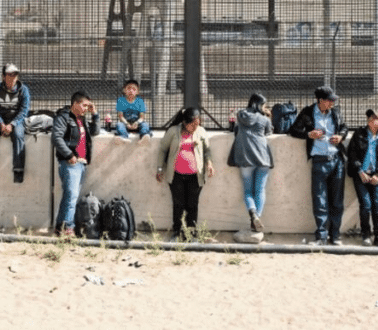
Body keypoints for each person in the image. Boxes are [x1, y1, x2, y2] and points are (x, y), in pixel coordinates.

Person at [289, 85, 349, 245]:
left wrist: (341, 136)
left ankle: (335, 236)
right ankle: (321, 237)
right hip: (319, 161)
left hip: (337, 160)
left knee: (337, 200)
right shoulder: (308, 113)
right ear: (320, 100)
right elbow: (293, 130)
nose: (332, 104)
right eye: (329, 101)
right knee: (320, 200)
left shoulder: (335, 113)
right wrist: (309, 134)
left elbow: (344, 127)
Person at [157, 107, 214, 241]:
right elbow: (163, 150)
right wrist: (160, 168)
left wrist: (209, 164)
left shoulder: (201, 132)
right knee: (178, 204)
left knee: (192, 205)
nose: (195, 126)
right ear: (184, 122)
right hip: (176, 175)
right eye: (192, 124)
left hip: (196, 176)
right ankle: (177, 232)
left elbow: (207, 151)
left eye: (197, 123)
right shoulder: (173, 131)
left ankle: (191, 233)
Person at [52, 90, 101, 237]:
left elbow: (95, 131)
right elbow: (56, 138)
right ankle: (68, 229)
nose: (86, 108)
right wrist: (69, 155)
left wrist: (95, 115)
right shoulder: (63, 117)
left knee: (69, 196)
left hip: (81, 164)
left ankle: (59, 228)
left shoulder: (82, 119)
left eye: (88, 106)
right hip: (70, 163)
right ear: (75, 103)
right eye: (84, 105)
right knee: (72, 196)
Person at [228, 93, 274, 234]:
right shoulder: (264, 119)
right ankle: (256, 219)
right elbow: (269, 132)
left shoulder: (241, 115)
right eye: (264, 105)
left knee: (248, 191)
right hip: (262, 157)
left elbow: (236, 128)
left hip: (245, 158)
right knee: (260, 190)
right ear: (259, 105)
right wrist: (268, 116)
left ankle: (253, 213)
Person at [347, 110, 378, 246]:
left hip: (376, 177)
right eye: (370, 117)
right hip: (361, 175)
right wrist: (360, 171)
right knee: (366, 205)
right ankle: (365, 235)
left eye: (375, 118)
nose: (371, 120)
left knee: (376, 206)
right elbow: (352, 154)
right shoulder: (359, 134)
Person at [114, 79, 151, 143]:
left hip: (137, 124)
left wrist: (137, 123)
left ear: (137, 92)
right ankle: (124, 137)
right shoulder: (120, 101)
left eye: (134, 89)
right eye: (128, 88)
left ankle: (143, 137)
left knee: (145, 124)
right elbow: (121, 116)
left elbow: (142, 117)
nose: (131, 91)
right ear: (124, 90)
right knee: (119, 125)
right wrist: (127, 123)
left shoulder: (140, 101)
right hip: (125, 124)